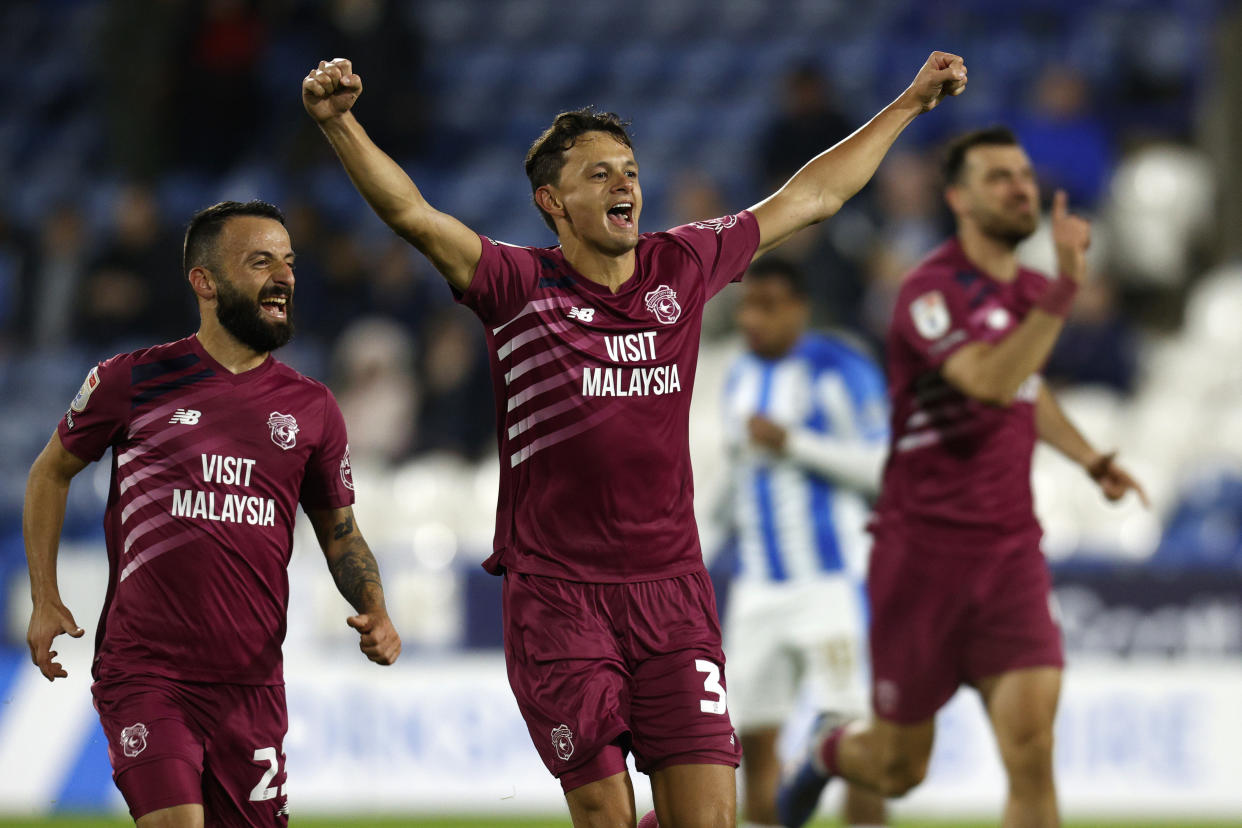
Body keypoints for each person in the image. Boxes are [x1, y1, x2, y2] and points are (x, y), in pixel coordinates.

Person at [303, 51, 967, 828]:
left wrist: (911, 102)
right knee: (606, 817)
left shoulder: (679, 265)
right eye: (599, 174)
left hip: (673, 594)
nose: (625, 184)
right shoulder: (518, 287)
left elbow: (812, 196)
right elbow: (413, 215)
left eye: (629, 169)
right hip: (558, 598)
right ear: (553, 201)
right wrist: (340, 124)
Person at [777, 127, 1149, 828]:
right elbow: (986, 380)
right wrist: (1068, 289)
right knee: (897, 769)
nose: (1020, 188)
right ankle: (829, 751)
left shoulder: (1034, 292)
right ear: (959, 199)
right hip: (923, 562)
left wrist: (1090, 458)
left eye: (1024, 175)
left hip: (1010, 557)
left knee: (1032, 754)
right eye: (998, 177)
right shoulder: (931, 290)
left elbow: (1027, 386)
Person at [23, 201, 401, 828]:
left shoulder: (312, 408)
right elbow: (49, 472)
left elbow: (340, 532)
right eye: (261, 262)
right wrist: (45, 595)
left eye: (289, 261)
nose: (284, 276)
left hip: (252, 684)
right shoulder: (134, 379)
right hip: (146, 672)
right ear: (204, 281)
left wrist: (377, 605)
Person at [718, 258, 888, 828]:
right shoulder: (737, 376)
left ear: (798, 309)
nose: (752, 320)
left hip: (831, 586)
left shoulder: (840, 369)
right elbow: (735, 483)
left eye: (766, 306)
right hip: (758, 589)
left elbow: (884, 469)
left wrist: (796, 443)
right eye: (747, 306)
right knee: (754, 747)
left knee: (856, 744)